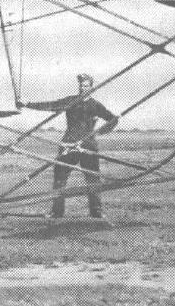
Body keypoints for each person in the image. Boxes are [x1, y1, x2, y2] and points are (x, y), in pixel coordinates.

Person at [18, 73, 119, 221]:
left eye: (86, 86)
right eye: (81, 85)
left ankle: (96, 211)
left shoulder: (96, 105)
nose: (82, 88)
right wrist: (27, 104)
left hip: (88, 146)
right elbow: (51, 105)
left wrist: (99, 132)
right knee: (59, 177)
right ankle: (57, 212)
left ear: (91, 87)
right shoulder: (71, 101)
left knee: (93, 178)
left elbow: (113, 119)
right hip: (69, 144)